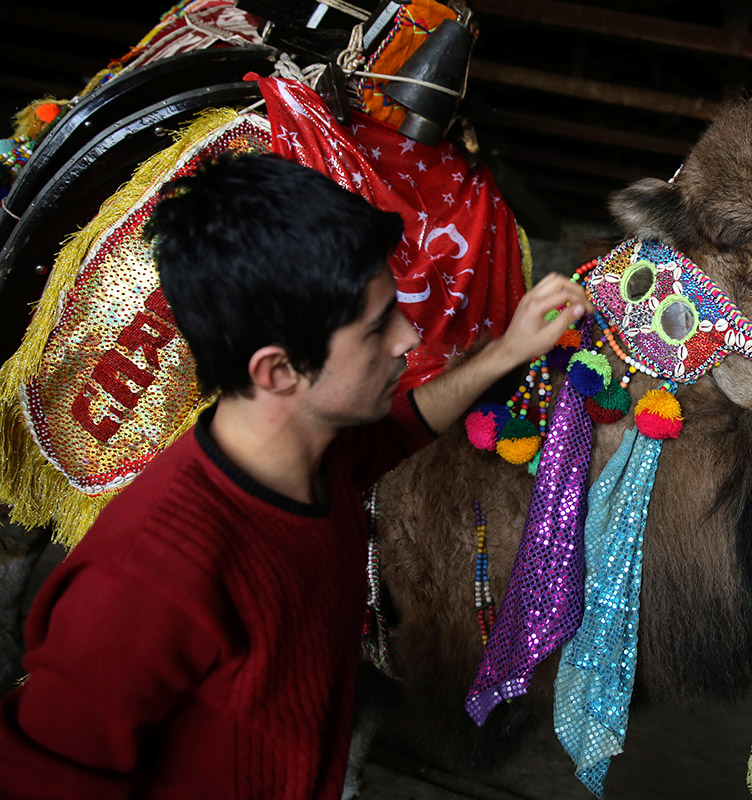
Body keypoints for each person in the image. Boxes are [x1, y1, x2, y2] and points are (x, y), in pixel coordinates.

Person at [0, 153, 591, 799]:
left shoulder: (317, 458)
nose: (406, 337)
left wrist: (508, 351)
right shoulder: (146, 578)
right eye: (376, 328)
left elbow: (399, 429)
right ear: (277, 370)